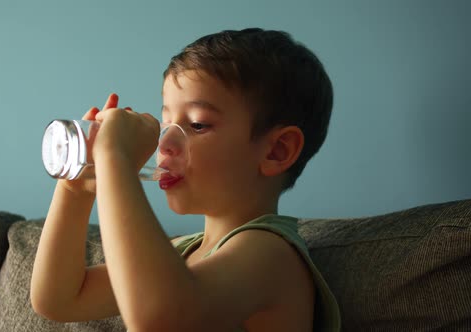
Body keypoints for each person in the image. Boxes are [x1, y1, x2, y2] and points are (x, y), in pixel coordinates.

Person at [31, 28, 341, 331]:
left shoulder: (269, 254)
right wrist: (75, 188)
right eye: (166, 122)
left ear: (276, 151)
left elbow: (159, 318)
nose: (163, 143)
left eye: (197, 124)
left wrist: (115, 157)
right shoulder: (182, 253)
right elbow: (59, 299)